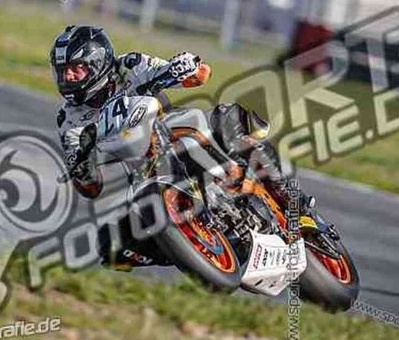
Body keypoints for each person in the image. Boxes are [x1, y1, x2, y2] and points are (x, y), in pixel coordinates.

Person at [50, 25, 314, 210]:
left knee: (227, 117)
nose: (68, 77)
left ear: (97, 63)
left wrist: (185, 68)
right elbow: (90, 188)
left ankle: (295, 204)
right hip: (141, 174)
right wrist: (82, 168)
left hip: (176, 131)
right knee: (113, 245)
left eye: (76, 69)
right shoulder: (69, 120)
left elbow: (201, 75)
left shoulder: (129, 66)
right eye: (63, 71)